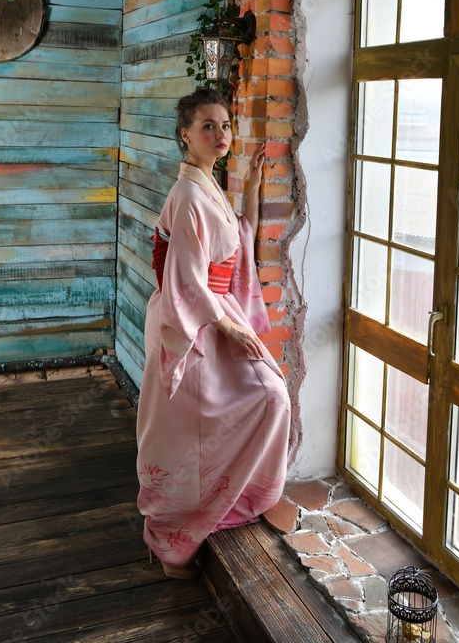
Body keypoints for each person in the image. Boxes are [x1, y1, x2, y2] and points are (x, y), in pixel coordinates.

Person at [135, 87, 291, 578]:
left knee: (269, 397)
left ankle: (226, 503)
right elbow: (185, 274)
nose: (220, 134)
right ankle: (173, 538)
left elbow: (238, 237)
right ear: (185, 135)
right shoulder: (186, 195)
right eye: (208, 126)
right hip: (193, 318)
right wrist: (225, 325)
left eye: (225, 125)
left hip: (213, 309)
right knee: (190, 431)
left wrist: (251, 185)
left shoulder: (208, 186)